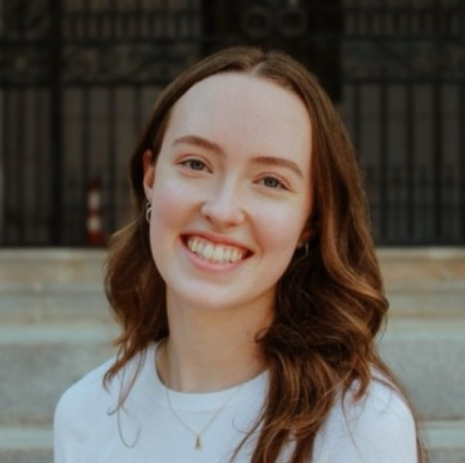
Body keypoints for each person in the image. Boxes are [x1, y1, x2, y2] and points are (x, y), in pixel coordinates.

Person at [54, 46, 425, 463]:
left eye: (270, 181)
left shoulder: (360, 423)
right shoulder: (84, 415)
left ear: (310, 221)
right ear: (152, 177)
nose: (222, 210)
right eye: (196, 164)